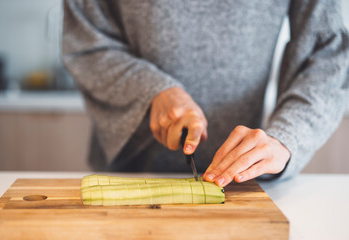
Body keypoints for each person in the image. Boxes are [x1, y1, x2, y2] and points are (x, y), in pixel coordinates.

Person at [62, 0, 349, 187]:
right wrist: (152, 90)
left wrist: (286, 138)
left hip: (244, 187)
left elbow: (328, 54)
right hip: (125, 173)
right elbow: (85, 43)